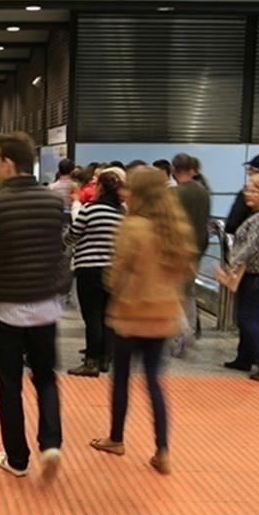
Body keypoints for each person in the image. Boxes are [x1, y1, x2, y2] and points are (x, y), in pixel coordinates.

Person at [0, 132, 69, 478]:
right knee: (45, 378)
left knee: (9, 385)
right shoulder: (54, 203)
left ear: (8, 163)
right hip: (46, 305)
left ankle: (17, 459)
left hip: (7, 309)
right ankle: (51, 443)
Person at [90, 167, 195, 475]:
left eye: (128, 188)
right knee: (154, 382)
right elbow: (182, 270)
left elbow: (115, 273)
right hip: (164, 315)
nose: (124, 193)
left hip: (131, 314)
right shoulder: (175, 228)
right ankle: (162, 449)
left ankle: (116, 438)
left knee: (121, 378)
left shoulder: (132, 226)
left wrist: (116, 287)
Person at [66, 168, 125, 377]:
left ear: (100, 188)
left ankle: (91, 362)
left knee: (91, 317)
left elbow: (73, 234)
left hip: (89, 269)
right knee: (107, 317)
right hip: (112, 271)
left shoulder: (90, 210)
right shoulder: (121, 214)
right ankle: (105, 359)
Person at [222, 173, 259, 379]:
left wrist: (233, 263)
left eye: (253, 191)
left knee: (249, 317)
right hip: (253, 273)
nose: (248, 194)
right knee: (248, 316)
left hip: (256, 274)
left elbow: (251, 247)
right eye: (248, 190)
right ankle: (244, 358)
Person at [171, 153, 211, 356]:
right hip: (198, 248)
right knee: (188, 291)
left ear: (174, 169)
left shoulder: (175, 193)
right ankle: (192, 329)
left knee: (174, 293)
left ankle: (182, 331)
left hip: (177, 250)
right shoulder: (203, 192)